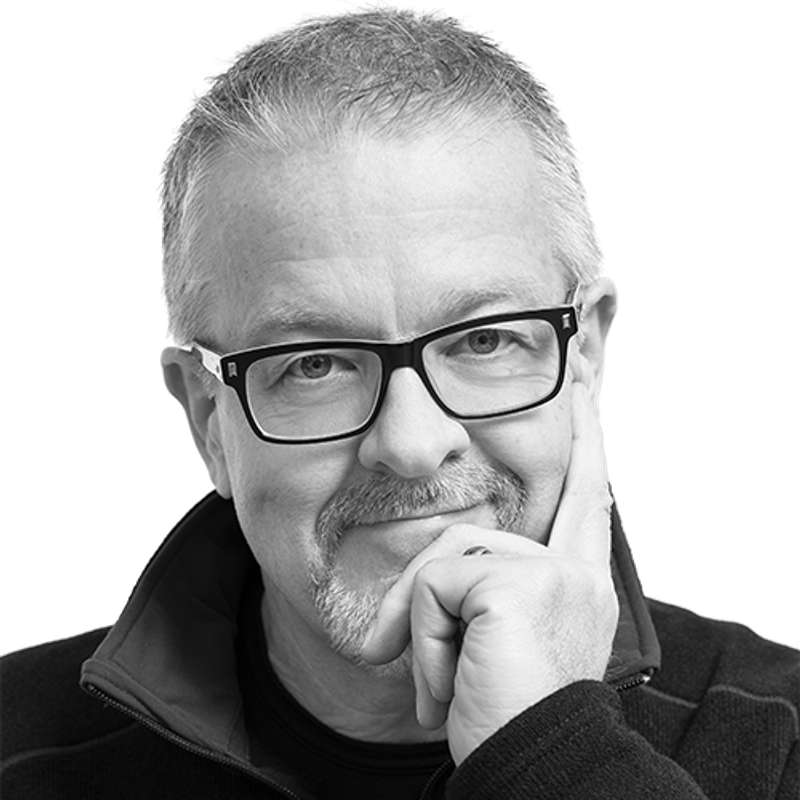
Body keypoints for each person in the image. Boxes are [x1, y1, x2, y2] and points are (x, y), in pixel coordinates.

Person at [1, 9, 797, 799]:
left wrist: (555, 751)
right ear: (209, 419)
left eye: (483, 341)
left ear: (583, 356)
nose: (413, 444)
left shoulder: (780, 743)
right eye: (314, 364)